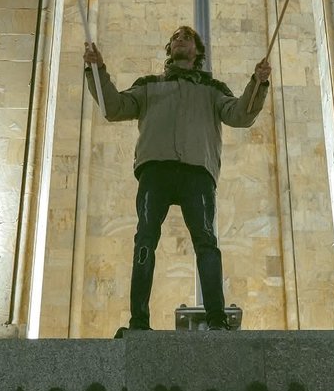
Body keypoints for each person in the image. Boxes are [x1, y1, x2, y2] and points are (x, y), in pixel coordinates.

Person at [83, 26, 271, 334]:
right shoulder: (148, 85)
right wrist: (97, 69)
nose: (180, 40)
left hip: (197, 172)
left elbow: (240, 114)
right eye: (176, 38)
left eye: (187, 37)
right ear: (170, 49)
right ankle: (139, 322)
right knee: (144, 240)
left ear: (197, 50)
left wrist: (257, 83)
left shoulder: (212, 88)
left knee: (207, 243)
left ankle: (216, 319)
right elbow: (114, 107)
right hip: (155, 170)